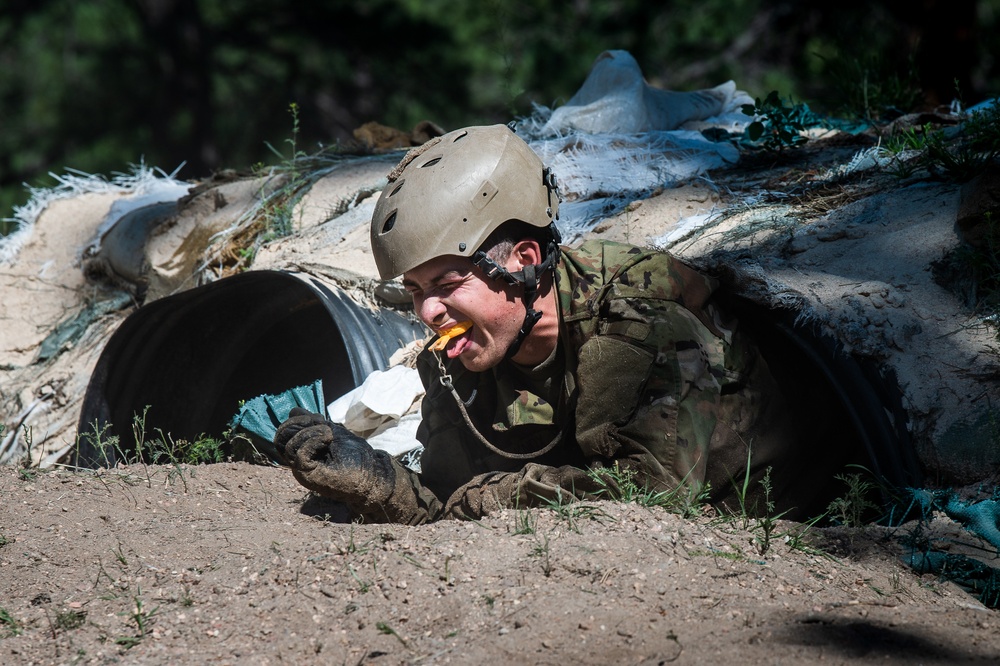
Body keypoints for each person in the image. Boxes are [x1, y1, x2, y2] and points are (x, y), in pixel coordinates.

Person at [274, 124, 843, 525]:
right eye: (417, 292)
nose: (428, 314)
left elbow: (646, 505)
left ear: (522, 260)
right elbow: (448, 502)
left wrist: (495, 497)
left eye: (447, 286)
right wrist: (370, 478)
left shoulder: (638, 326)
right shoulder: (458, 360)